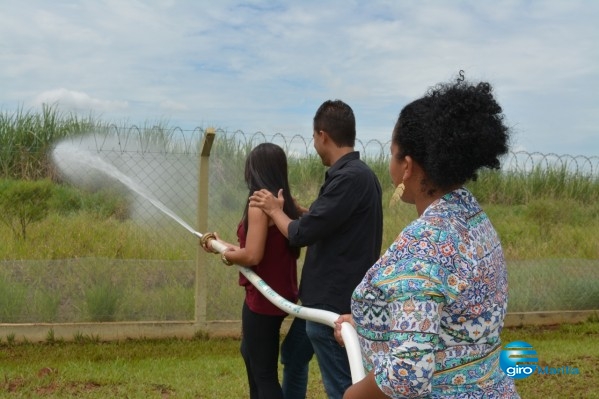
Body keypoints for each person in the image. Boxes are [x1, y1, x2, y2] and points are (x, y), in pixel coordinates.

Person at [334, 77, 520, 398]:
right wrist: (368, 326)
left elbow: (409, 375)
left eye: (393, 153)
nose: (390, 161)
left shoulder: (423, 245)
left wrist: (353, 395)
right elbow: (446, 315)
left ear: (407, 166)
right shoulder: (472, 217)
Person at [250, 99, 384, 399]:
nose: (314, 144)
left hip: (332, 308)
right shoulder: (361, 176)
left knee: (342, 386)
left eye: (313, 137)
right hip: (320, 303)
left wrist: (274, 211)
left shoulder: (349, 178)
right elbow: (334, 223)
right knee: (294, 354)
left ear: (322, 135)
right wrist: (300, 210)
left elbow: (299, 234)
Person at [202, 143, 301, 399]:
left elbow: (252, 256)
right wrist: (219, 245)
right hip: (281, 293)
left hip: (264, 298)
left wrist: (226, 255)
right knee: (250, 352)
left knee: (264, 374)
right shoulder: (283, 203)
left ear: (254, 169)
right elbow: (253, 250)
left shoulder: (259, 203)